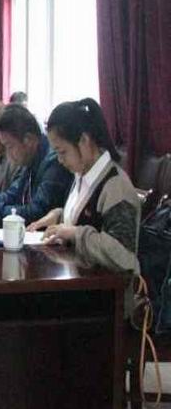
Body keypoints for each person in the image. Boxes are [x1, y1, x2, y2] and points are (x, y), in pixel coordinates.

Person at [25, 99, 139, 276]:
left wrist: (76, 233)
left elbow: (123, 255)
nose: (60, 160)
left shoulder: (116, 187)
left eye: (62, 152)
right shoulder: (82, 174)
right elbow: (86, 218)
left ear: (84, 140)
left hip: (106, 289)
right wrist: (58, 216)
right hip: (80, 279)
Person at [0, 104, 73, 225]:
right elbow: (12, 196)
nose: (8, 154)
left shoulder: (53, 162)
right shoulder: (31, 157)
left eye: (9, 146)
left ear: (28, 140)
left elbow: (36, 212)